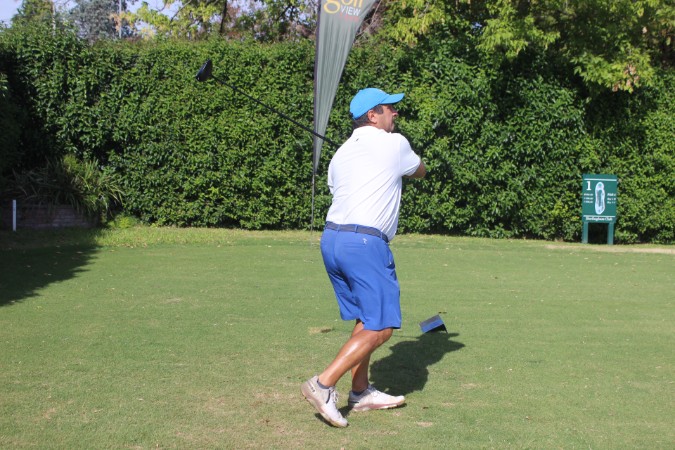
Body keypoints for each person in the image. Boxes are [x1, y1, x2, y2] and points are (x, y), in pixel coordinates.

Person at [301, 87, 427, 427]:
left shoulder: (341, 153)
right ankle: (323, 384)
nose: (395, 113)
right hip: (364, 244)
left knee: (364, 317)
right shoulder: (395, 143)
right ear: (372, 116)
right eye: (389, 108)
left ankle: (360, 391)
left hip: (332, 240)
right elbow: (419, 170)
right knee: (381, 326)